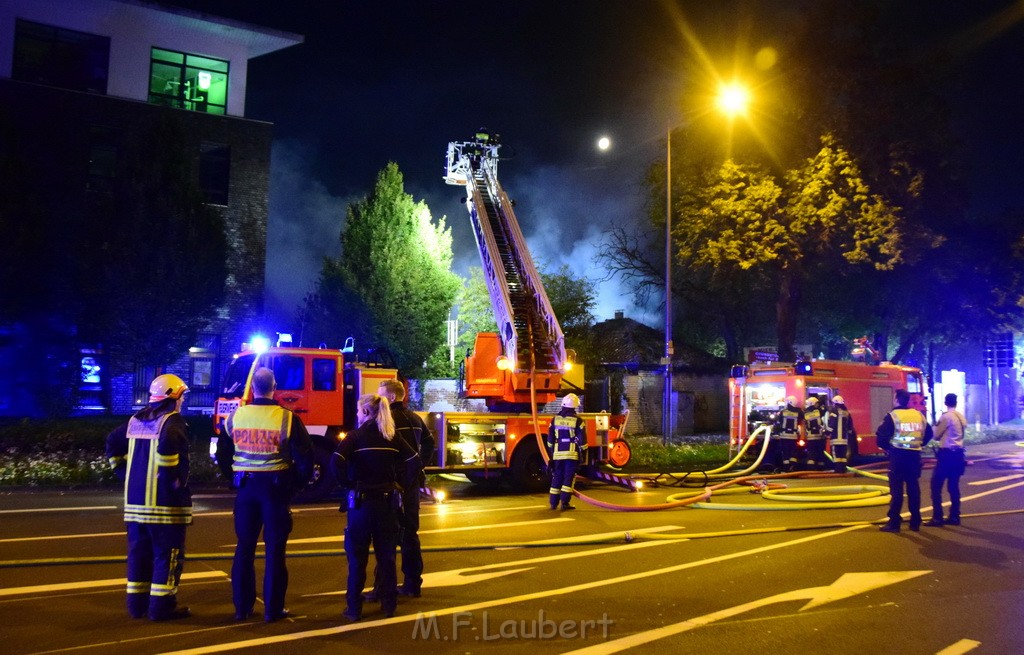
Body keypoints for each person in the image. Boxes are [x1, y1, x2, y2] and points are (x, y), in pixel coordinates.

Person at [226, 367, 314, 622]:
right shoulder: (285, 418)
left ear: (252, 387)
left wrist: (233, 478)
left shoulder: (236, 416)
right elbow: (306, 457)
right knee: (275, 551)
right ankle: (273, 610)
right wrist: (295, 485)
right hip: (275, 490)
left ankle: (242, 608)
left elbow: (222, 452)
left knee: (244, 548)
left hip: (246, 489)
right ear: (274, 387)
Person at [105, 373, 193, 621]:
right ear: (173, 396)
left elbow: (112, 441)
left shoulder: (136, 420)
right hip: (165, 507)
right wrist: (171, 478)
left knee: (139, 556)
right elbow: (167, 445)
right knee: (168, 556)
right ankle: (162, 608)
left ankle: (137, 605)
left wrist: (123, 472)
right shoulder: (172, 422)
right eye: (182, 396)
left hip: (135, 507)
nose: (183, 401)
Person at [332, 394, 420, 622]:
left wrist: (348, 485)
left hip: (360, 505)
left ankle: (353, 608)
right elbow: (414, 460)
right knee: (387, 557)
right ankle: (389, 605)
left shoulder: (355, 437)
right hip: (387, 505)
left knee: (357, 560)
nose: (357, 414)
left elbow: (336, 461)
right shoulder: (392, 438)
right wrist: (402, 485)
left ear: (367, 413)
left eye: (360, 411)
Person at [368, 379, 435, 599]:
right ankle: (413, 583)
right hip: (412, 484)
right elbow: (429, 443)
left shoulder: (387, 420)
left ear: (393, 397)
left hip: (392, 485)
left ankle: (382, 587)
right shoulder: (415, 419)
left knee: (386, 537)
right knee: (410, 534)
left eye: (381, 395)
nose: (378, 400)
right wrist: (420, 466)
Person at [876, 389, 933, 533]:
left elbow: (881, 437)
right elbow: (929, 433)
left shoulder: (893, 416)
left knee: (897, 491)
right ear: (907, 400)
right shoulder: (918, 415)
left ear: (896, 400)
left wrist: (889, 448)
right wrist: (919, 443)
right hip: (914, 456)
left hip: (898, 456)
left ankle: (894, 523)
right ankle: (915, 521)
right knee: (913, 488)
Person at [925, 393, 968, 527]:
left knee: (936, 486)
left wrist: (934, 427)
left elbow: (936, 436)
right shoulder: (961, 417)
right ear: (955, 402)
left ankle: (937, 518)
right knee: (953, 486)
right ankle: (955, 516)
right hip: (959, 454)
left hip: (947, 454)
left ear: (945, 402)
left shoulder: (946, 417)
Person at [546, 393, 587, 511]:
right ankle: (564, 502)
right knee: (568, 478)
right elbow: (583, 441)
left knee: (557, 477)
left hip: (557, 454)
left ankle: (553, 503)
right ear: (574, 407)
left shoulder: (555, 420)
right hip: (572, 455)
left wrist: (552, 453)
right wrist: (583, 453)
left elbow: (550, 440)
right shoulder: (578, 420)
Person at [824, 395, 855, 473]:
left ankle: (837, 470)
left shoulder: (834, 412)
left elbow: (831, 425)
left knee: (836, 455)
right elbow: (850, 427)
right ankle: (842, 469)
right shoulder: (846, 412)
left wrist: (826, 433)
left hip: (835, 439)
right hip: (844, 439)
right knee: (842, 456)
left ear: (835, 403)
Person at [773, 396, 803, 472]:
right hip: (793, 436)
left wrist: (776, 433)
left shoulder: (783, 412)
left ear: (789, 402)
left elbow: (778, 423)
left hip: (784, 435)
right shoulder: (798, 412)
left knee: (785, 452)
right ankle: (793, 466)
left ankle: (786, 468)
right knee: (793, 452)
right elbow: (802, 419)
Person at [803, 397, 825, 470]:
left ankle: (811, 468)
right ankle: (820, 467)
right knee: (819, 451)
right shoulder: (818, 411)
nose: (817, 405)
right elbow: (824, 411)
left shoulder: (805, 412)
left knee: (811, 452)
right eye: (816, 403)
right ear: (813, 403)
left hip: (810, 436)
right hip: (819, 435)